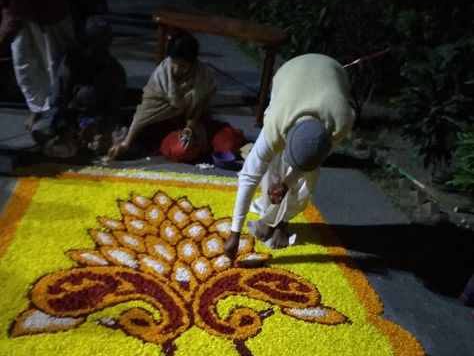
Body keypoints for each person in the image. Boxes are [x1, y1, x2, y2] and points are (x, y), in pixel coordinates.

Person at [224, 53, 356, 255]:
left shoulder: (341, 122)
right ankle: (270, 218)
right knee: (271, 166)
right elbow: (249, 177)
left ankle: (282, 223)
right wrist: (235, 233)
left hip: (332, 75)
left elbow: (308, 164)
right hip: (290, 75)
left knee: (308, 179)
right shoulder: (276, 123)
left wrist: (287, 183)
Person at [108, 30, 216, 161]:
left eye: (183, 66)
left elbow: (196, 111)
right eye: (174, 63)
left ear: (192, 63)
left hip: (188, 124)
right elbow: (144, 113)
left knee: (221, 142)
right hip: (159, 126)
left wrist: (189, 129)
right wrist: (126, 143)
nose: (176, 69)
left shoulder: (202, 77)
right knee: (181, 150)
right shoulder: (161, 76)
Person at [31, 16, 126, 158]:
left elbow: (112, 109)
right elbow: (58, 99)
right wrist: (64, 129)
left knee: (120, 137)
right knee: (39, 128)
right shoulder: (70, 62)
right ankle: (70, 143)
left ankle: (78, 145)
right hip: (70, 119)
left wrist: (95, 126)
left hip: (95, 121)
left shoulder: (114, 71)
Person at [0, 0, 76, 130]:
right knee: (23, 64)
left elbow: (14, 10)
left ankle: (59, 112)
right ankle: (38, 108)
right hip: (21, 12)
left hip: (47, 9)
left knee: (55, 64)